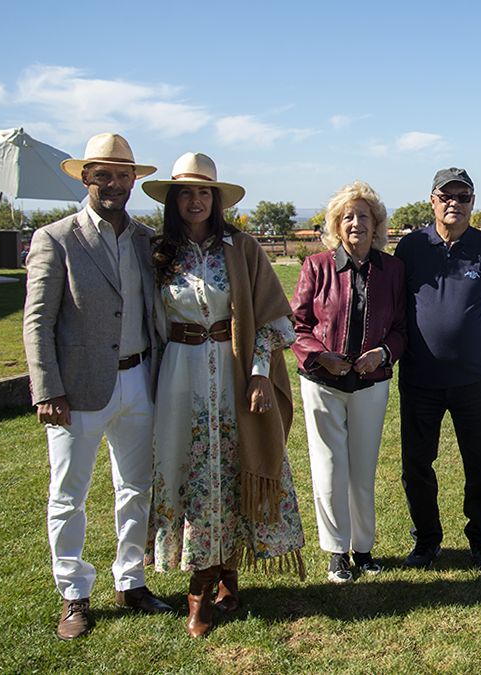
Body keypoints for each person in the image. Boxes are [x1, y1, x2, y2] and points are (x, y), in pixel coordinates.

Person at [143, 152, 304, 638]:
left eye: (204, 192)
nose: (196, 200)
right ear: (175, 200)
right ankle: (201, 580)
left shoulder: (241, 247)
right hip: (178, 372)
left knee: (233, 465)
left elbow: (271, 316)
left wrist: (258, 374)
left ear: (216, 199)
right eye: (187, 192)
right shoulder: (157, 251)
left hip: (233, 370)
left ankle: (223, 573)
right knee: (189, 468)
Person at [23, 132, 172, 640]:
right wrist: (47, 389)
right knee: (69, 495)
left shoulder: (147, 239)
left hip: (140, 381)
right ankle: (73, 593)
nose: (112, 183)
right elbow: (38, 321)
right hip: (78, 390)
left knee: (137, 488)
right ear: (86, 178)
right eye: (102, 174)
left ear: (134, 180)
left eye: (122, 174)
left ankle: (130, 581)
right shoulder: (55, 238)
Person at [394, 167, 481, 573]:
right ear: (432, 200)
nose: (454, 204)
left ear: (472, 204)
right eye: (446, 196)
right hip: (420, 380)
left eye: (463, 197)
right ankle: (427, 540)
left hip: (477, 380)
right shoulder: (411, 249)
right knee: (416, 465)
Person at [291, 181, 406, 584]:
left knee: (363, 467)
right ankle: (336, 552)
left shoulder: (391, 269)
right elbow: (298, 324)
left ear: (377, 225)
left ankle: (363, 548)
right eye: (348, 217)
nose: (357, 223)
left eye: (364, 216)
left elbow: (400, 329)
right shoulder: (316, 266)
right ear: (337, 225)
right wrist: (321, 355)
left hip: (371, 383)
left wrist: (383, 354)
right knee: (329, 467)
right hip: (322, 382)